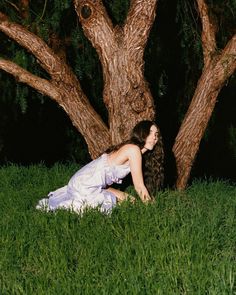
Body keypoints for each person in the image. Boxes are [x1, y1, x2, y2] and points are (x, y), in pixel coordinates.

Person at [36, 120, 164, 214]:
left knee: (131, 201)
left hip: (94, 183)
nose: (154, 137)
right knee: (106, 207)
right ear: (142, 134)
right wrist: (153, 210)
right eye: (150, 133)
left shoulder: (134, 150)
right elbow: (139, 186)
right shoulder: (133, 150)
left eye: (156, 134)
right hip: (85, 184)